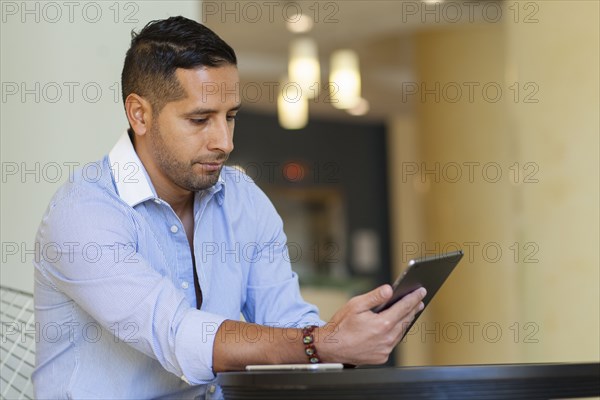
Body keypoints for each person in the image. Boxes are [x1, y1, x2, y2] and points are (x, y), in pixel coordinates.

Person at [32, 16, 426, 399]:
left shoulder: (242, 198)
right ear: (140, 114)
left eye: (231, 116)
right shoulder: (85, 212)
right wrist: (320, 343)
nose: (224, 141)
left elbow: (288, 321)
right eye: (200, 119)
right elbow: (177, 335)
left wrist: (344, 339)